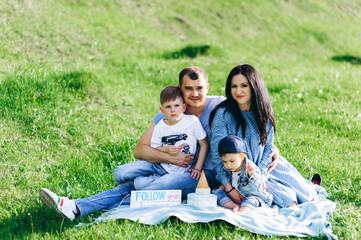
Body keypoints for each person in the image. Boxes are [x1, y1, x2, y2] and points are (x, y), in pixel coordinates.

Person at [39, 66, 280, 221]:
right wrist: (170, 157)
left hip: (203, 175)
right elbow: (139, 150)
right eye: (188, 89)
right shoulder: (172, 111)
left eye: (199, 89)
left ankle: (78, 207)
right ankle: (76, 207)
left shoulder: (220, 105)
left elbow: (252, 120)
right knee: (129, 180)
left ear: (207, 88)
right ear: (179, 90)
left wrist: (272, 149)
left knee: (140, 188)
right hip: (170, 166)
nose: (195, 95)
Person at [209, 64, 318, 208]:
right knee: (289, 201)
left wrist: (261, 176)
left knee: (310, 196)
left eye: (244, 85)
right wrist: (229, 188)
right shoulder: (223, 114)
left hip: (264, 167)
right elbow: (218, 156)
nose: (238, 91)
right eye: (234, 86)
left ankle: (310, 186)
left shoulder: (264, 110)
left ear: (254, 86)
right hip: (235, 173)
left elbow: (268, 148)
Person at [113, 85, 208, 190]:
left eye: (176, 105)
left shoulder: (192, 121)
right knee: (119, 172)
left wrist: (198, 168)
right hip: (156, 165)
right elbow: (155, 148)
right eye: (168, 107)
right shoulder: (160, 126)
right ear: (162, 110)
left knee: (139, 184)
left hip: (176, 173)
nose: (173, 110)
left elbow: (204, 144)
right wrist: (166, 150)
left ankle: (138, 185)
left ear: (184, 107)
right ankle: (125, 187)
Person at [214, 135, 273, 214]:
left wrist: (252, 176)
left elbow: (258, 188)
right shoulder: (229, 168)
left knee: (251, 200)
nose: (228, 165)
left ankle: (241, 213)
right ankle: (234, 206)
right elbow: (231, 179)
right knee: (216, 193)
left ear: (242, 156)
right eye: (224, 162)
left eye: (232, 161)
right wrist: (223, 186)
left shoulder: (250, 168)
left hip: (250, 195)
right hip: (234, 196)